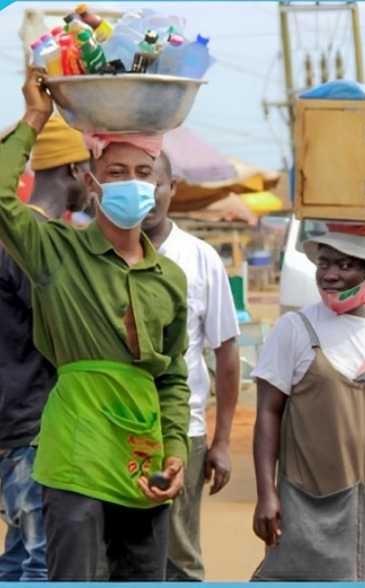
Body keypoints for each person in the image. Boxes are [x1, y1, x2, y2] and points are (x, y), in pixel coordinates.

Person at [0, 68, 191, 581]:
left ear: (160, 186)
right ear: (90, 181)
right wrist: (35, 116)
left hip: (144, 457)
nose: (132, 184)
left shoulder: (170, 279)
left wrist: (177, 448)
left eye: (144, 172)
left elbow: (173, 377)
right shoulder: (56, 252)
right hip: (76, 452)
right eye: (117, 172)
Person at [251, 229, 365, 581]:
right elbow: (268, 412)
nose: (331, 274)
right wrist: (266, 494)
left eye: (345, 264)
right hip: (305, 507)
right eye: (324, 263)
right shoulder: (294, 329)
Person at [0, 112, 91, 581]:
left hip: (20, 420)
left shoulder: (28, 233)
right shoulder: (33, 238)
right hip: (34, 426)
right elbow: (66, 331)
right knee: (43, 560)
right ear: (72, 171)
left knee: (20, 555)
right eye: (91, 167)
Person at [140, 153, 241, 581]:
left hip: (183, 431)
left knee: (178, 554)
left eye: (153, 184)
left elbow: (226, 354)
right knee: (123, 552)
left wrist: (221, 441)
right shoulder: (99, 256)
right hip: (113, 429)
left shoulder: (199, 258)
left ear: (172, 187)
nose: (145, 197)